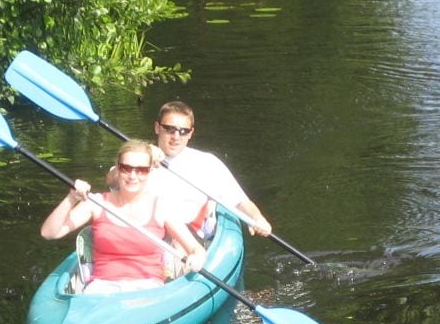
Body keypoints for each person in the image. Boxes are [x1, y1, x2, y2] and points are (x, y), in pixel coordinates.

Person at [40, 139, 206, 295]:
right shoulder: (97, 203)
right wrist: (71, 199)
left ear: (149, 172)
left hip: (147, 287)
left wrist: (196, 258)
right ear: (118, 169)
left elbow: (196, 249)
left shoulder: (160, 206)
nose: (133, 176)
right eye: (127, 168)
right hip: (102, 287)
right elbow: (49, 233)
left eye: (141, 170)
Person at [114, 101, 273, 240]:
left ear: (190, 133)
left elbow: (240, 201)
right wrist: (146, 155)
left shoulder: (207, 163)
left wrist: (257, 218)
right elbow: (112, 179)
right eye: (170, 129)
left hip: (188, 238)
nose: (176, 136)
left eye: (183, 131)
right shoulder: (139, 158)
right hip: (144, 232)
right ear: (157, 128)